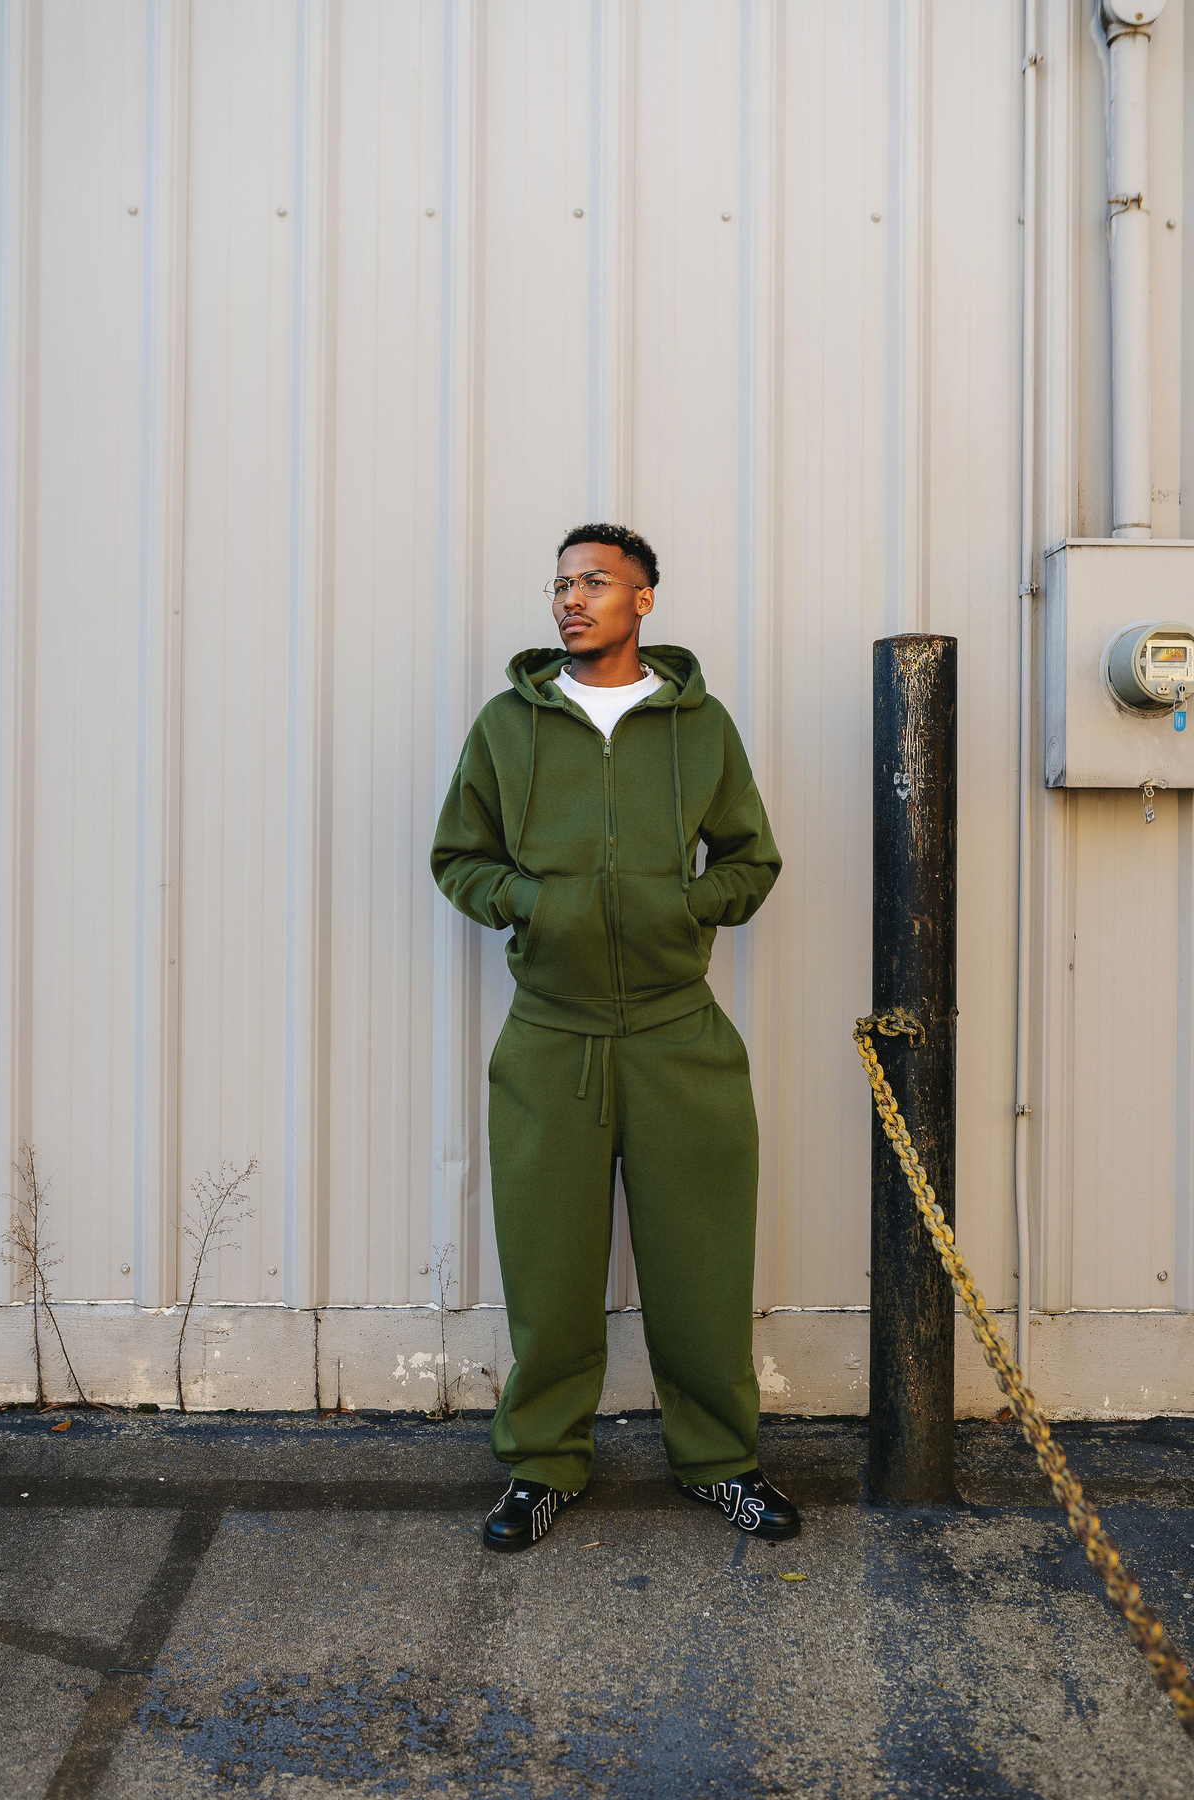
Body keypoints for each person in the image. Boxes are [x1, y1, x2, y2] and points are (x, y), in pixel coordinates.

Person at [431, 523, 799, 1551]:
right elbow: (459, 855)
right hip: (552, 1039)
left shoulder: (700, 725)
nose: (571, 599)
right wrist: (530, 903)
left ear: (644, 598)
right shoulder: (508, 724)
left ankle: (720, 1463)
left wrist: (685, 908)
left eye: (595, 582)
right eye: (560, 584)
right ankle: (542, 1468)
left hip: (681, 1037)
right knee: (548, 1274)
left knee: (702, 1269)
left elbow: (751, 860)